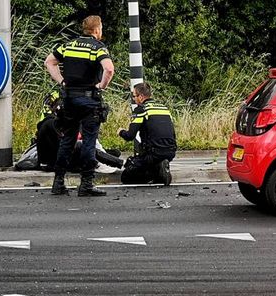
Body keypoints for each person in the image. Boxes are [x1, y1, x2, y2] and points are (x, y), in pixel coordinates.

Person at [44, 15, 115, 197]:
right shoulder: (97, 47)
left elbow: (49, 62)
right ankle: (86, 184)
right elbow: (109, 69)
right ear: (97, 30)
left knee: (67, 140)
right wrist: (101, 85)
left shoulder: (68, 45)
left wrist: (62, 81)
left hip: (69, 99)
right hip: (89, 99)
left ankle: (58, 182)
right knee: (89, 141)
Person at [119, 82, 177, 186]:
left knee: (126, 176)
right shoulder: (164, 108)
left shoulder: (141, 109)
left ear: (141, 97)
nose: (133, 99)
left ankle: (156, 171)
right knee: (148, 162)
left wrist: (121, 132)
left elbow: (130, 136)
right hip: (170, 152)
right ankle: (160, 168)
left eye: (134, 96)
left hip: (153, 153)